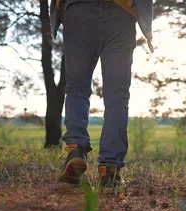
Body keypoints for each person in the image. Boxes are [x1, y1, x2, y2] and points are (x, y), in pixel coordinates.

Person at [50, 0, 154, 191]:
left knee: (77, 88)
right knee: (117, 98)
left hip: (78, 12)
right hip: (120, 14)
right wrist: (147, 25)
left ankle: (76, 150)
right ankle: (110, 169)